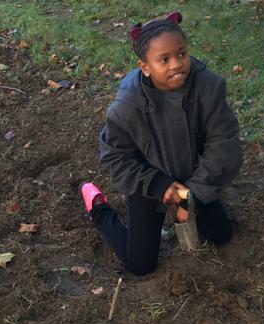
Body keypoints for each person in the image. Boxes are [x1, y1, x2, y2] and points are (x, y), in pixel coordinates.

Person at [81, 11, 242, 276]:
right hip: (149, 186)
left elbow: (224, 145)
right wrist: (160, 187)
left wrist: (193, 195)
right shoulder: (127, 107)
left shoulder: (208, 89)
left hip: (194, 179)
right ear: (145, 67)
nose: (176, 64)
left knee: (221, 236)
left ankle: (192, 205)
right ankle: (98, 207)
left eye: (181, 53)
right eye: (163, 59)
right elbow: (115, 157)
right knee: (141, 266)